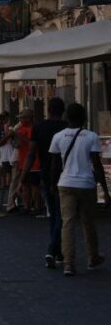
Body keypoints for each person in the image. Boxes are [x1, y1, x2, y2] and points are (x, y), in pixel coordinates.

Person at [49, 103, 110, 276]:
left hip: (65, 183)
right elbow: (97, 165)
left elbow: (55, 165)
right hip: (86, 184)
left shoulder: (58, 136)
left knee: (67, 223)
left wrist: (53, 185)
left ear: (66, 117)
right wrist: (105, 191)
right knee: (88, 222)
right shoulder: (91, 136)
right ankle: (92, 257)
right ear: (84, 117)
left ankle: (68, 264)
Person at [21, 98, 68, 269]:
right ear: (62, 110)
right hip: (64, 175)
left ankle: (57, 251)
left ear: (48, 110)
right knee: (62, 215)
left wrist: (22, 177)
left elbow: (31, 154)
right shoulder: (67, 128)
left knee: (54, 214)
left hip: (46, 174)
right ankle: (53, 250)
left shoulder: (38, 128)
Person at [16, 109, 43, 216]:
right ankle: (26, 206)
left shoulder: (35, 129)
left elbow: (33, 144)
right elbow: (16, 144)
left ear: (28, 118)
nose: (20, 119)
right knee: (24, 185)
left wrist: (20, 137)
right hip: (22, 161)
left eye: (22, 117)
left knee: (35, 186)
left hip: (34, 162)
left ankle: (37, 206)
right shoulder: (19, 129)